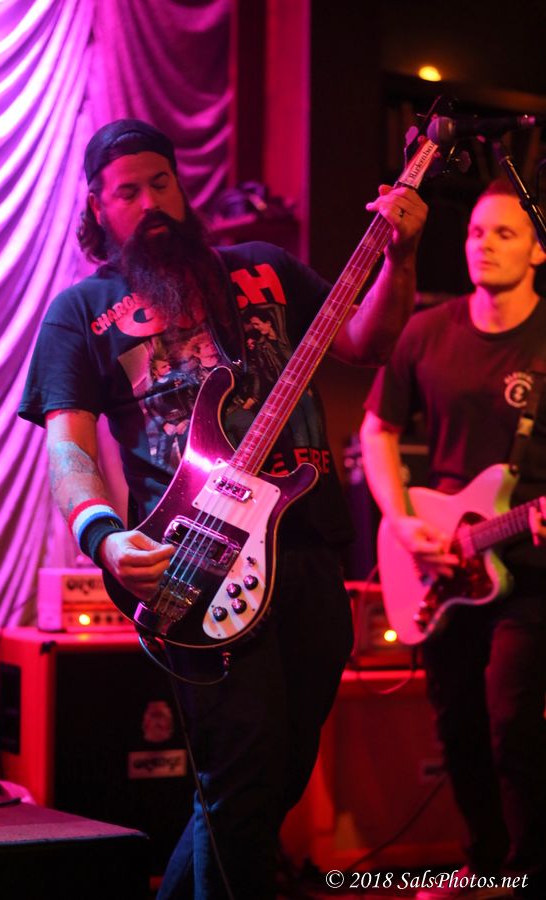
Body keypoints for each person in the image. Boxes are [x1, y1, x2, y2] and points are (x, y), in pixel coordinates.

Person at [19, 118, 427, 899]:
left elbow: (367, 343)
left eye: (161, 182)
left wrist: (402, 256)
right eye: (128, 192)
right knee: (239, 778)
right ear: (98, 208)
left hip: (308, 548)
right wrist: (103, 538)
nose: (150, 202)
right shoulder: (81, 311)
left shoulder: (265, 267)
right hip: (195, 563)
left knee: (271, 781)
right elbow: (69, 449)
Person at [360, 178, 546, 900]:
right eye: (474, 232)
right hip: (442, 561)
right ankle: (483, 861)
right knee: (457, 720)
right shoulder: (425, 331)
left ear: (537, 251)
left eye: (504, 233)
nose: (484, 245)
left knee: (513, 721)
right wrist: (401, 519)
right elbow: (378, 429)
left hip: (531, 565)